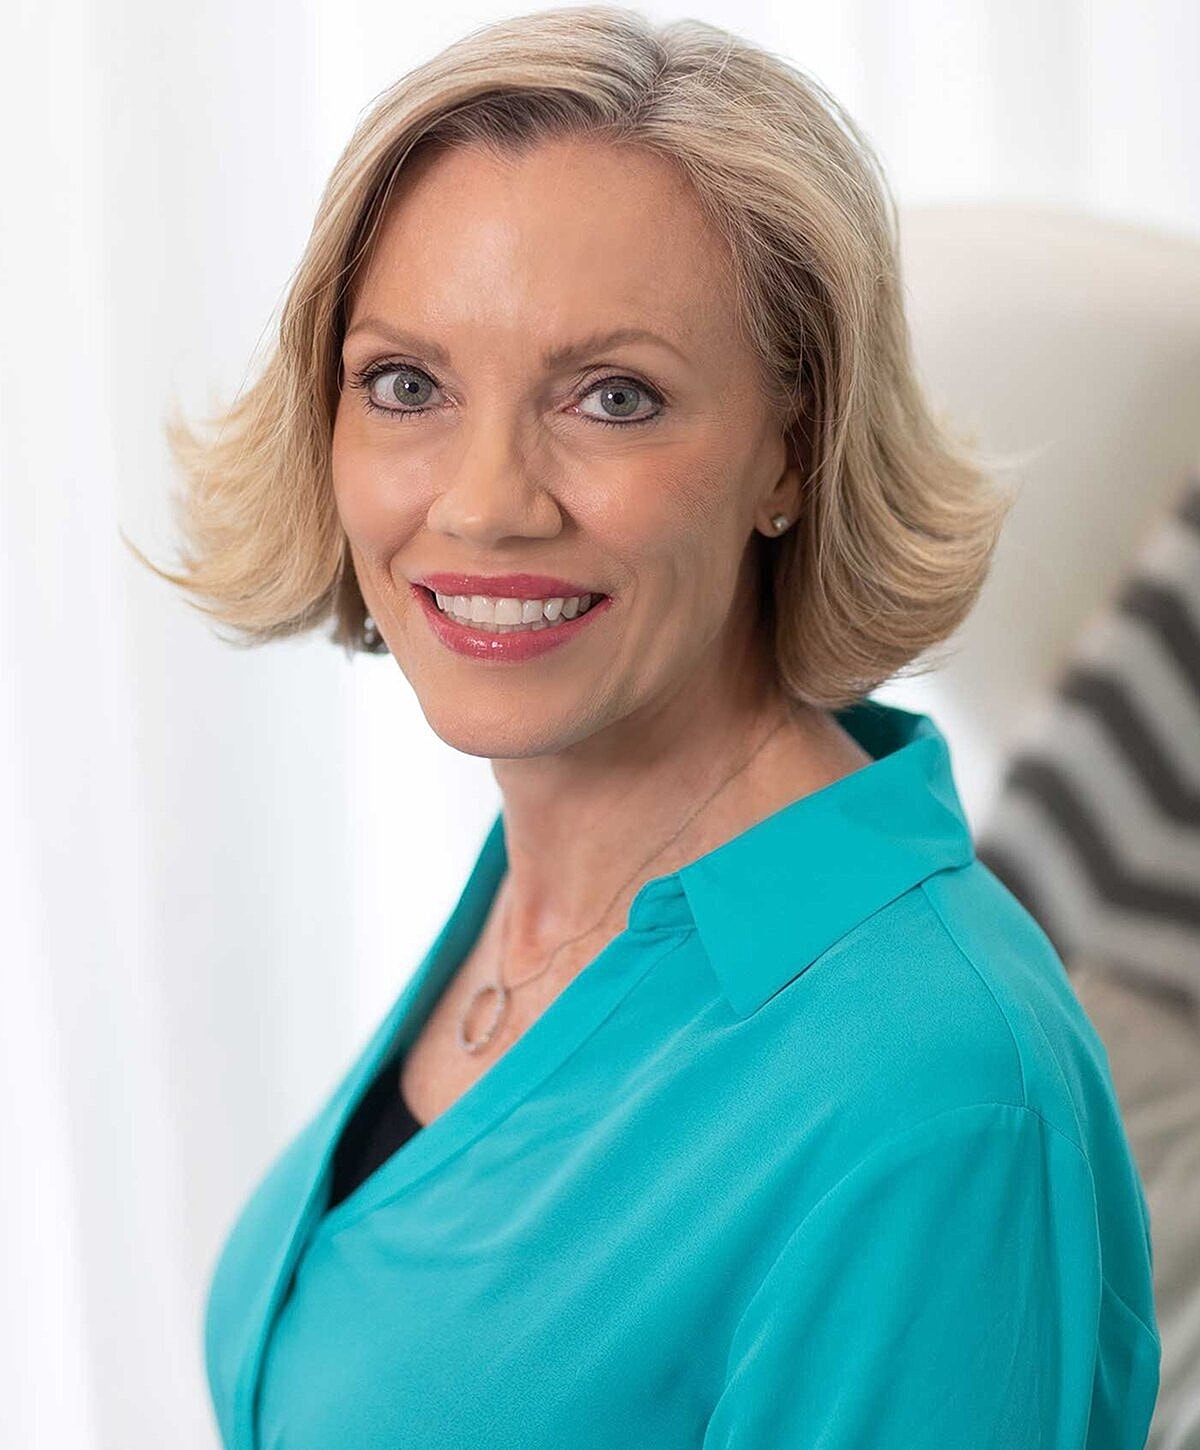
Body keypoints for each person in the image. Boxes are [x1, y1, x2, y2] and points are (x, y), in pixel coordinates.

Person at [133, 6, 1160, 1446]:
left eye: (612, 396)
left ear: (790, 448)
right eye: (407, 384)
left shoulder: (934, 1094)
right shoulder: (552, 879)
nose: (486, 500)